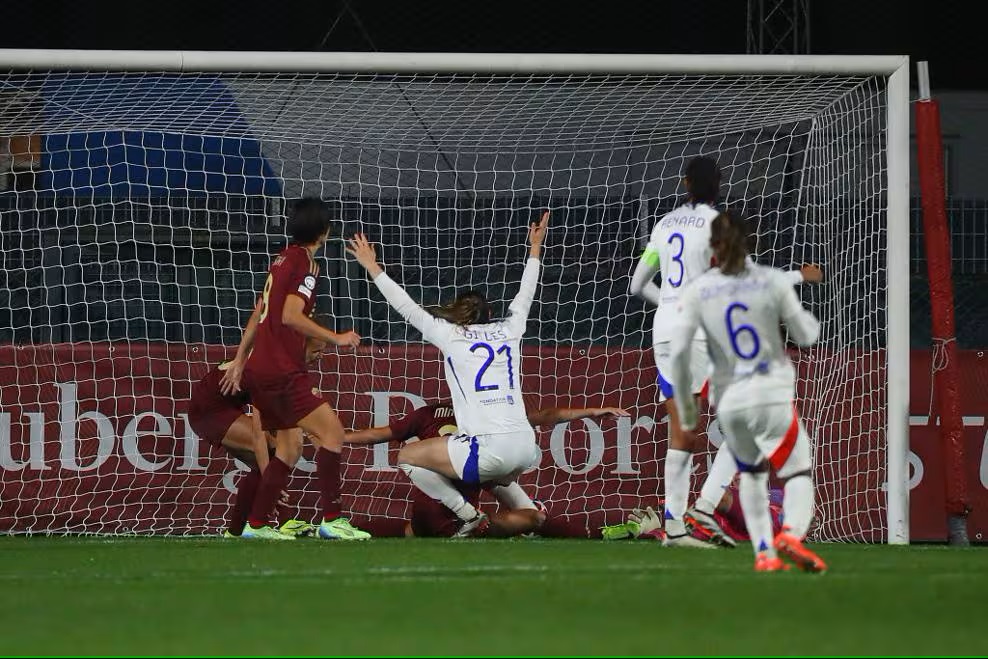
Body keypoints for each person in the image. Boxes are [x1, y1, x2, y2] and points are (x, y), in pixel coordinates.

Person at [630, 156, 819, 547]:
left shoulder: (665, 224)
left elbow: (637, 286)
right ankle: (704, 505)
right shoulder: (720, 226)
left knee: (682, 434)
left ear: (685, 184)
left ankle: (675, 527)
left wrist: (671, 305)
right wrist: (803, 275)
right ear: (719, 184)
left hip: (663, 332)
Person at [345, 211, 549, 536]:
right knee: (501, 485)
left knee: (408, 456)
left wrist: (372, 267)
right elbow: (526, 295)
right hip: (527, 448)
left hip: (488, 450)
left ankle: (467, 514)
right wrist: (535, 249)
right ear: (491, 314)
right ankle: (524, 521)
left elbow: (407, 307)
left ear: (458, 315)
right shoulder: (510, 329)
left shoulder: (450, 335)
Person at [668, 210, 826, 572]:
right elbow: (805, 335)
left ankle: (760, 550)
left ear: (713, 250)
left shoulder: (700, 290)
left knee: (748, 466)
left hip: (728, 392)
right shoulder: (769, 282)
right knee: (797, 468)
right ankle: (789, 534)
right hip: (769, 389)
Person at [220, 197, 369, 541]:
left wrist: (242, 359)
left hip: (261, 367)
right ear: (324, 231)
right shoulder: (304, 264)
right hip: (282, 369)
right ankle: (333, 520)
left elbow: (259, 312)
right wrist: (337, 337)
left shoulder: (280, 259)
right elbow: (289, 315)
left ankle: (256, 526)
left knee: (289, 448)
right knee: (331, 432)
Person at [345, 401, 629, 537]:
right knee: (534, 519)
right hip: (462, 520)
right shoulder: (487, 418)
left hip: (424, 517)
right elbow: (544, 417)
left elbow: (377, 434)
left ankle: (336, 525)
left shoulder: (426, 414)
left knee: (413, 530)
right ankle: (599, 534)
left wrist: (340, 437)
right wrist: (589, 412)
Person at [187, 334, 331, 538]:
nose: (321, 356)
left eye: (323, 350)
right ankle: (274, 523)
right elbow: (258, 434)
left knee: (270, 462)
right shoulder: (269, 370)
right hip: (208, 411)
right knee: (271, 456)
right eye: (317, 351)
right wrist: (269, 480)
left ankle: (236, 533)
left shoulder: (286, 365)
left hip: (224, 407)